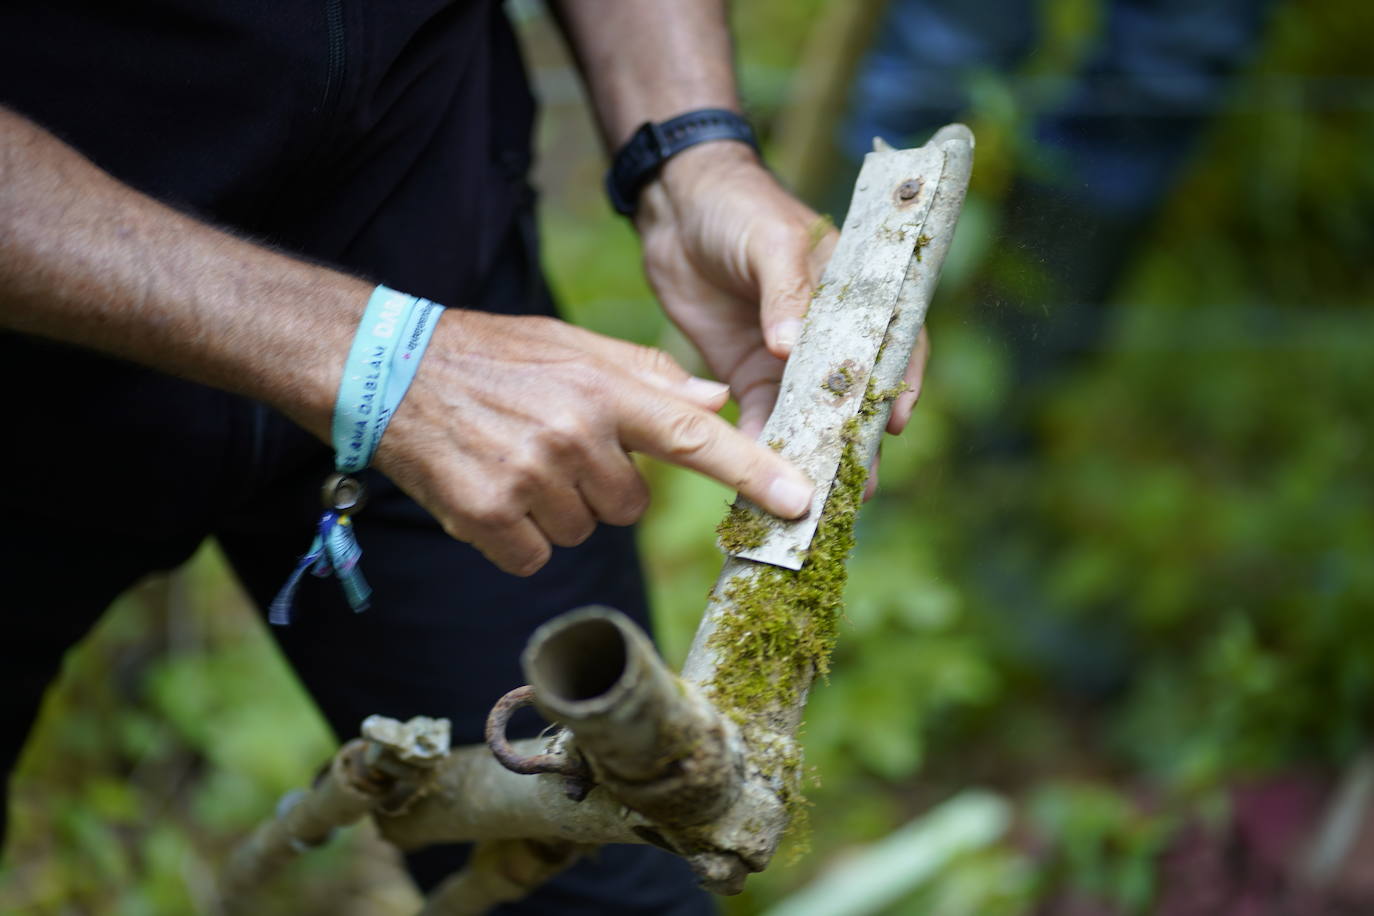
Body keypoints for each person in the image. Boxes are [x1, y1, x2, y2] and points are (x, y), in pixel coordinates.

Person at [0, 0, 929, 910]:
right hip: (42, 370)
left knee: (607, 882)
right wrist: (374, 358)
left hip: (446, 301)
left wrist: (689, 149)